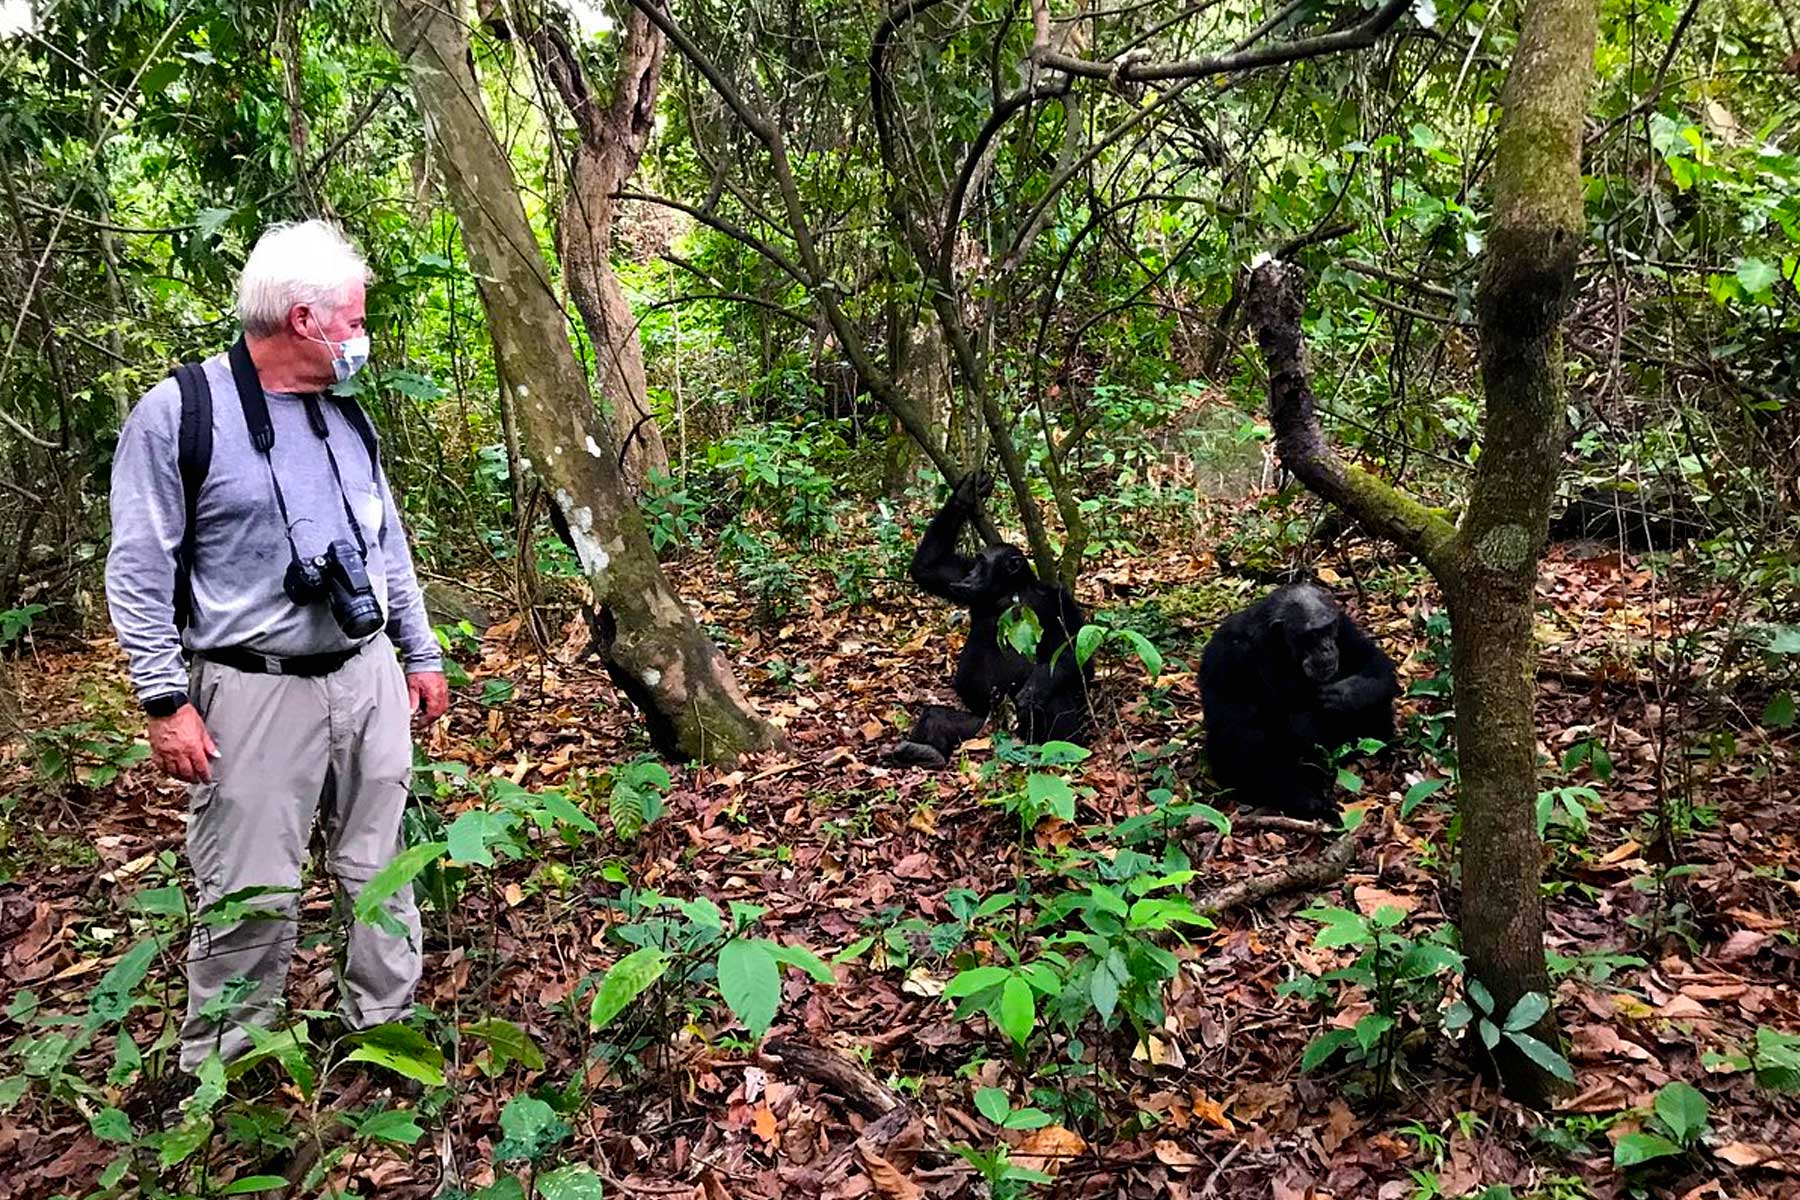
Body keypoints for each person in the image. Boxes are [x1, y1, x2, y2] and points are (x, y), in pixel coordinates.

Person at [105, 220, 450, 1073]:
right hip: (251, 688)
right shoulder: (180, 414)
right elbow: (139, 569)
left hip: (364, 674)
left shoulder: (345, 412)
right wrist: (163, 700)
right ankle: (226, 1069)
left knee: (383, 866)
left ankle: (383, 1033)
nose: (362, 339)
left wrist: (420, 650)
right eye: (355, 321)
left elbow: (385, 542)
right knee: (249, 888)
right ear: (303, 320)